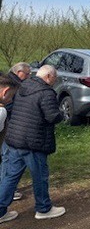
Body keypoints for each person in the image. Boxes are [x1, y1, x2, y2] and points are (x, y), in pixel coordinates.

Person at [0, 65, 65, 224]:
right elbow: (52, 116)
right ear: (48, 77)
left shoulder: (23, 86)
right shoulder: (46, 92)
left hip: (15, 138)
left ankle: (0, 211)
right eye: (54, 78)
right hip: (34, 141)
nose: (55, 81)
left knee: (10, 177)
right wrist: (61, 114)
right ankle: (44, 208)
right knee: (40, 176)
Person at [2, 63, 30, 202]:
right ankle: (6, 190)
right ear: (19, 72)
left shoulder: (9, 81)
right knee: (6, 157)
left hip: (8, 124)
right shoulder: (14, 85)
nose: (29, 76)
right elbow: (9, 105)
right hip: (8, 125)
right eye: (27, 73)